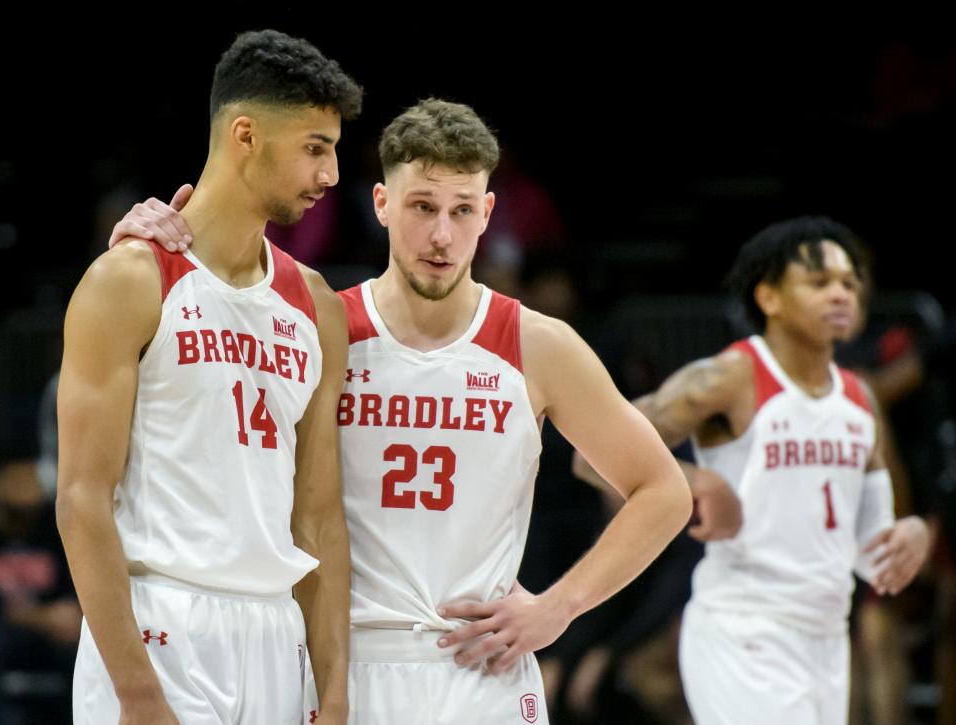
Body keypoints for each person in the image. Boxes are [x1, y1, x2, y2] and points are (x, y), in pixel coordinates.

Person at [112, 97, 693, 725]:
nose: (441, 235)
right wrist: (148, 244)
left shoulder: (535, 344)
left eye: (462, 210)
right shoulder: (315, 324)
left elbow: (664, 491)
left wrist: (561, 606)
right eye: (422, 207)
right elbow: (192, 356)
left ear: (487, 214)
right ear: (382, 204)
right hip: (339, 667)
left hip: (479, 671)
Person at [56, 30, 362, 724]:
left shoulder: (315, 305)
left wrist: (334, 689)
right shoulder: (130, 280)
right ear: (246, 135)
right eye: (316, 146)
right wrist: (136, 693)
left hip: (273, 630)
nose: (332, 174)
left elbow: (318, 516)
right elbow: (80, 500)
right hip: (160, 623)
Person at [578, 216, 929, 725]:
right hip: (744, 631)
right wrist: (695, 481)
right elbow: (591, 452)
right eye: (819, 282)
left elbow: (873, 556)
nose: (840, 294)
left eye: (849, 283)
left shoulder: (860, 399)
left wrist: (912, 533)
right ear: (769, 297)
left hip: (827, 640)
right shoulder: (728, 377)